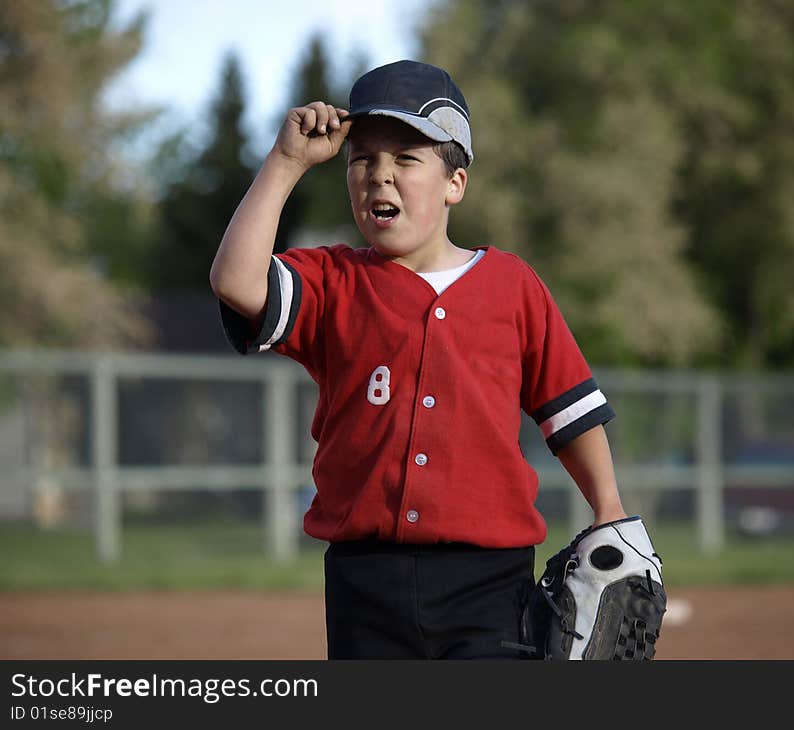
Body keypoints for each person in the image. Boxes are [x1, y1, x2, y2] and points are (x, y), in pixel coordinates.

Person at [210, 59, 627, 659]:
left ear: (455, 183)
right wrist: (286, 164)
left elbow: (570, 411)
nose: (380, 176)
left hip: (489, 579)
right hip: (364, 579)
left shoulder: (512, 285)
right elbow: (236, 282)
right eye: (363, 161)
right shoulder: (332, 281)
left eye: (407, 159)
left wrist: (607, 509)